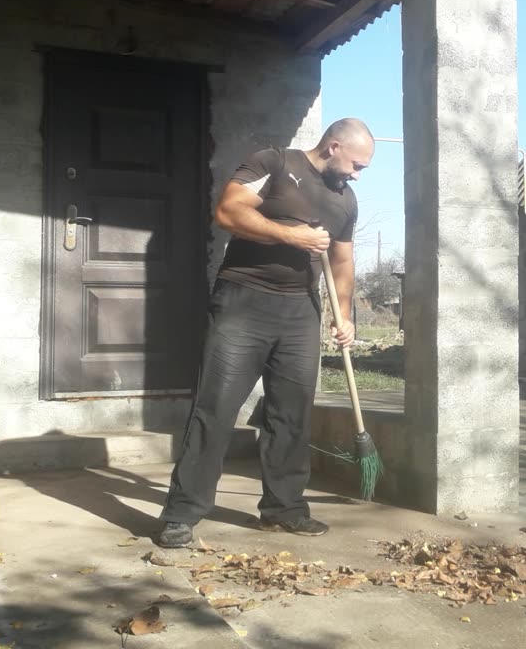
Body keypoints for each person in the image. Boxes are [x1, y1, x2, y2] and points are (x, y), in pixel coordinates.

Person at [154, 118, 374, 549]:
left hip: (300, 311)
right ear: (332, 146)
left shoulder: (346, 201)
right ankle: (182, 512)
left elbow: (343, 263)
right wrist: (290, 236)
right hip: (243, 300)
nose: (356, 174)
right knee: (215, 409)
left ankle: (284, 508)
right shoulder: (273, 163)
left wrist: (343, 315)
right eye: (356, 164)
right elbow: (229, 211)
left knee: (291, 415)